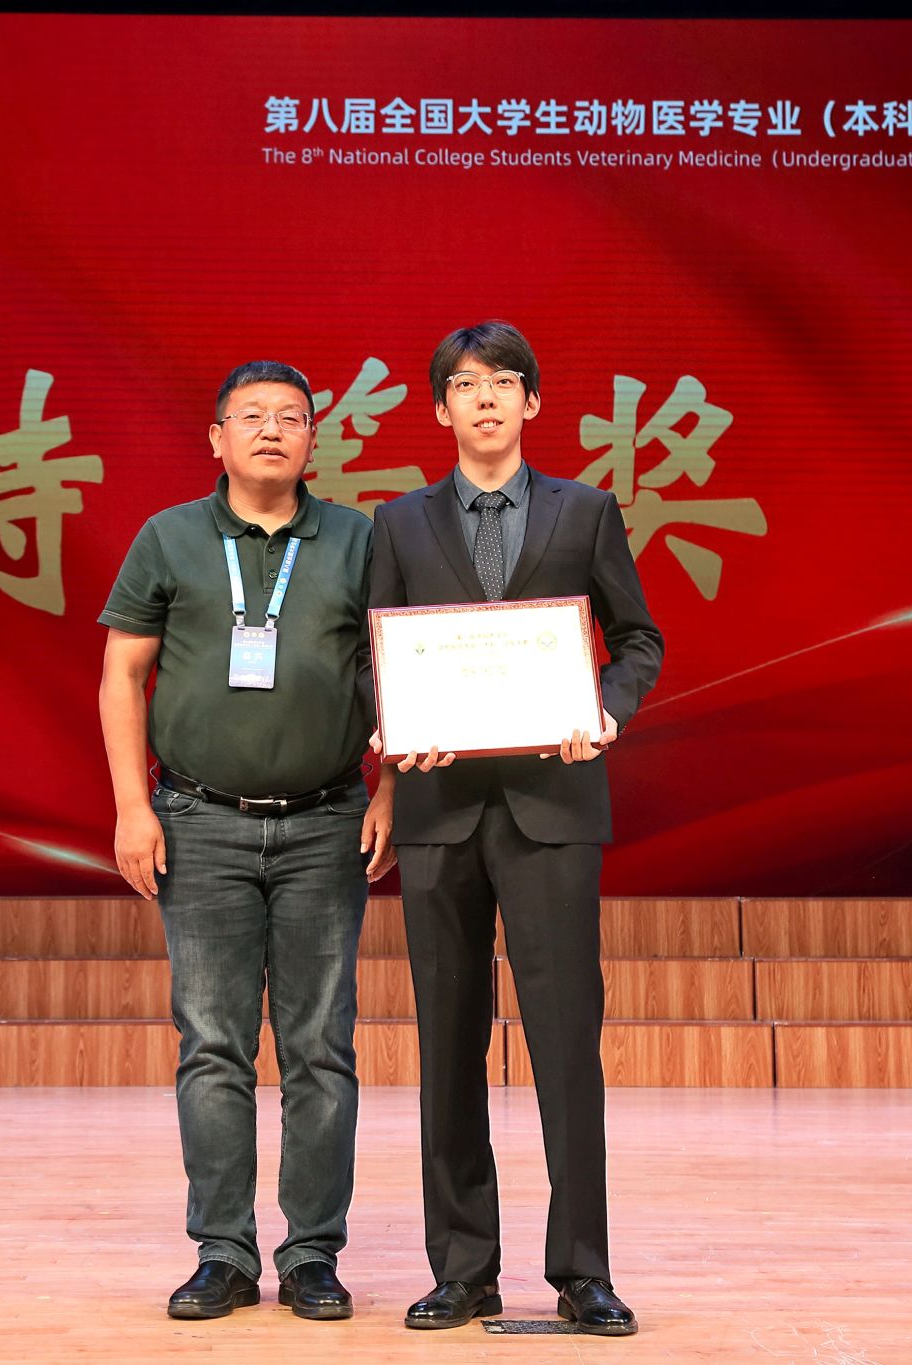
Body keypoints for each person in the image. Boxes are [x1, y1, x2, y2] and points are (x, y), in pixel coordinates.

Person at [370, 322, 664, 1336]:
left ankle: (582, 1270)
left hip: (553, 807)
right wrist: (393, 722)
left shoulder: (585, 510)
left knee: (565, 1044)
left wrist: (605, 710)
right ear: (440, 408)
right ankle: (462, 1268)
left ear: (532, 402)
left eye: (503, 382)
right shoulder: (397, 523)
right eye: (465, 384)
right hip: (438, 811)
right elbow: (371, 653)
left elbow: (636, 637)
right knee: (447, 1043)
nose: (486, 398)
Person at [97, 360, 396, 1321]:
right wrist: (131, 806)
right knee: (213, 1046)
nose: (272, 429)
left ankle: (312, 1254)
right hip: (198, 823)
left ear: (314, 439)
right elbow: (121, 674)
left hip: (326, 823)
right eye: (251, 415)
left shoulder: (360, 539)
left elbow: (401, 668)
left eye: (291, 416)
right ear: (217, 438)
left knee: (321, 1047)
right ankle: (222, 1251)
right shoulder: (169, 537)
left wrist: (390, 789)